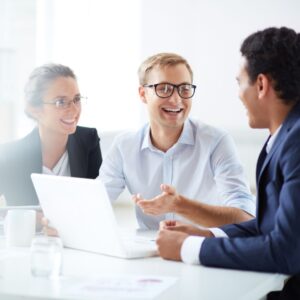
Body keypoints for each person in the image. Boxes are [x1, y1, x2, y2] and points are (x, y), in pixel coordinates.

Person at [156, 27, 300, 299]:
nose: (237, 94)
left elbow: (286, 252)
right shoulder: (283, 137)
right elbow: (269, 227)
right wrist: (207, 235)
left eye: (239, 82)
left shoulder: (296, 141)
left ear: (261, 85)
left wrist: (188, 248)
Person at [99, 52, 255, 230]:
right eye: (164, 88)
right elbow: (94, 203)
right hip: (149, 250)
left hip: (203, 249)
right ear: (143, 94)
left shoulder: (216, 141)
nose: (176, 99)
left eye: (184, 88)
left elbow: (246, 217)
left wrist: (179, 205)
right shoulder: (124, 146)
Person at [0, 64, 102, 205]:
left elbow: (96, 202)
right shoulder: (9, 156)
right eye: (60, 102)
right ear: (34, 109)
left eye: (77, 99)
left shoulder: (88, 140)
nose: (74, 110)